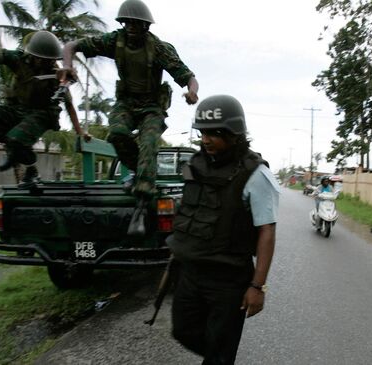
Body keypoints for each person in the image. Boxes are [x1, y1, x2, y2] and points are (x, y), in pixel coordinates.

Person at [57, 0, 199, 234]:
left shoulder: (160, 48)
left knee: (148, 142)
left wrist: (192, 91)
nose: (131, 28)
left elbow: (187, 76)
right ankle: (141, 171)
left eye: (136, 24)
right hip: (127, 102)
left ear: (146, 27)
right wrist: (67, 67)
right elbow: (71, 46)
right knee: (117, 134)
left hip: (152, 105)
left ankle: (142, 200)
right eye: (127, 23)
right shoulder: (115, 41)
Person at [166, 95, 280, 364]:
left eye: (214, 133)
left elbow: (267, 231)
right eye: (203, 133)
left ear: (235, 134)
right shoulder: (197, 164)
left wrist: (258, 286)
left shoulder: (255, 174)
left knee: (219, 353)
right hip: (190, 272)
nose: (206, 140)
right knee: (182, 331)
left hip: (228, 280)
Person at [0, 30, 88, 188]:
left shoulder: (57, 75)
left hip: (43, 115)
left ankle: (29, 168)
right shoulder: (17, 59)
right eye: (43, 61)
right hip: (18, 110)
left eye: (50, 61)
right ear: (33, 56)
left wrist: (80, 132)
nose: (47, 64)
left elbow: (69, 105)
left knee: (16, 138)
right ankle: (14, 151)